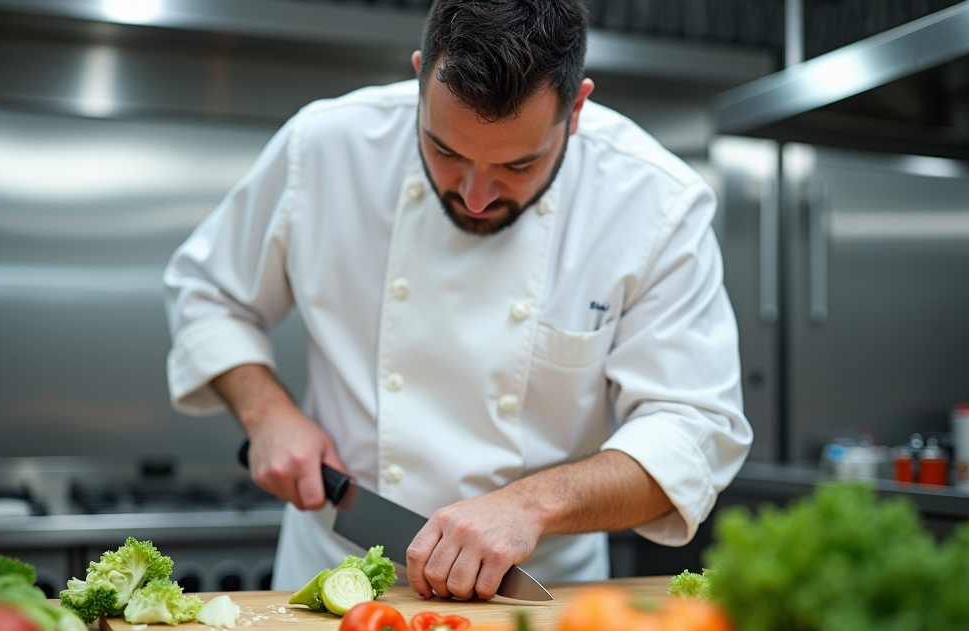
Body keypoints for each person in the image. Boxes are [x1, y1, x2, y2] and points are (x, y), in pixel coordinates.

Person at [163, 0, 752, 599]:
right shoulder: (325, 148)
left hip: (534, 595)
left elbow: (691, 427)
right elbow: (207, 292)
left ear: (575, 110)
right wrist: (267, 413)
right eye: (444, 151)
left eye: (518, 164)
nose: (473, 196)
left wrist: (531, 505)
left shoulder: (653, 202)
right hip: (338, 582)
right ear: (420, 78)